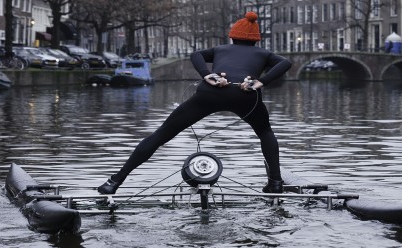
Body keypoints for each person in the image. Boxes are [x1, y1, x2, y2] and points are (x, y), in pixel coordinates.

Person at [98, 11, 292, 195]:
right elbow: (285, 63)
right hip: (245, 94)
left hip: (211, 92)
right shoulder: (263, 54)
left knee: (161, 134)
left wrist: (207, 75)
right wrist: (261, 82)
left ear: (232, 37)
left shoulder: (220, 49)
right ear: (256, 39)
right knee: (265, 132)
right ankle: (275, 183)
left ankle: (114, 181)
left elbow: (196, 55)